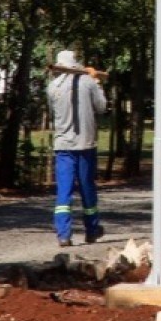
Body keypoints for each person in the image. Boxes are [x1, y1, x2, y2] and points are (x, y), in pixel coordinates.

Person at [47, 49, 107, 246]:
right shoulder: (88, 82)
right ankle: (92, 230)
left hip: (63, 146)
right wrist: (97, 81)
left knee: (63, 191)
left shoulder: (52, 87)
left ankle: (63, 234)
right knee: (87, 188)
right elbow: (101, 107)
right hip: (85, 144)